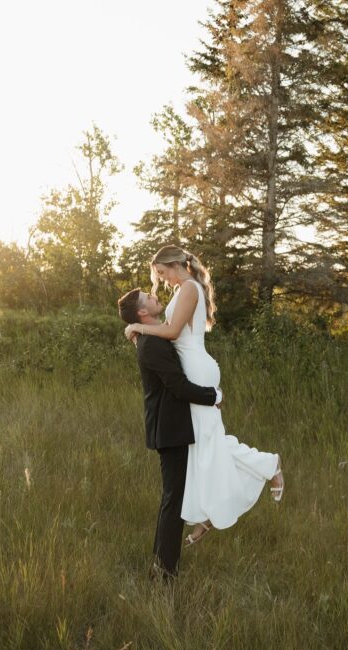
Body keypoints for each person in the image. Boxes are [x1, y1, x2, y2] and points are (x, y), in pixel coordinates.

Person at [124, 245, 284, 547]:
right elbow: (169, 330)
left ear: (171, 265)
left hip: (196, 370)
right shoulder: (182, 290)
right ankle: (207, 513)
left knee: (210, 443)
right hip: (193, 367)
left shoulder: (188, 289)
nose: (161, 280)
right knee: (205, 446)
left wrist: (137, 327)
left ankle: (268, 465)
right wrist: (142, 332)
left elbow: (171, 333)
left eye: (160, 273)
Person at [117, 286, 222, 580]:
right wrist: (213, 396)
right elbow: (178, 386)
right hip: (170, 428)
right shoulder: (151, 345)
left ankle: (161, 563)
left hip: (170, 427)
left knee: (172, 498)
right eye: (148, 299)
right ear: (142, 312)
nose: (154, 296)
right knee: (173, 500)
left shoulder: (152, 336)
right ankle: (165, 572)